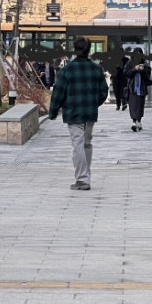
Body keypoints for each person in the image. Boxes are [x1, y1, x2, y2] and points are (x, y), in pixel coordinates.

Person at [49, 37, 109, 191]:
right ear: (89, 50)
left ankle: (82, 179)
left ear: (74, 50)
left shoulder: (66, 70)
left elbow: (58, 93)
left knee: (78, 144)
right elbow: (104, 92)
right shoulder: (96, 69)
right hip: (90, 113)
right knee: (86, 143)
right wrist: (93, 104)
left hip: (73, 112)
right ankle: (85, 175)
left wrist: (53, 111)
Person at [124, 48, 151, 132]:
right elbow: (126, 73)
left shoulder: (145, 64)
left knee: (140, 106)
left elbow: (148, 76)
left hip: (141, 88)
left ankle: (139, 121)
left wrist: (142, 70)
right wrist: (134, 69)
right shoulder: (129, 63)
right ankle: (134, 122)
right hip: (132, 88)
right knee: (132, 106)